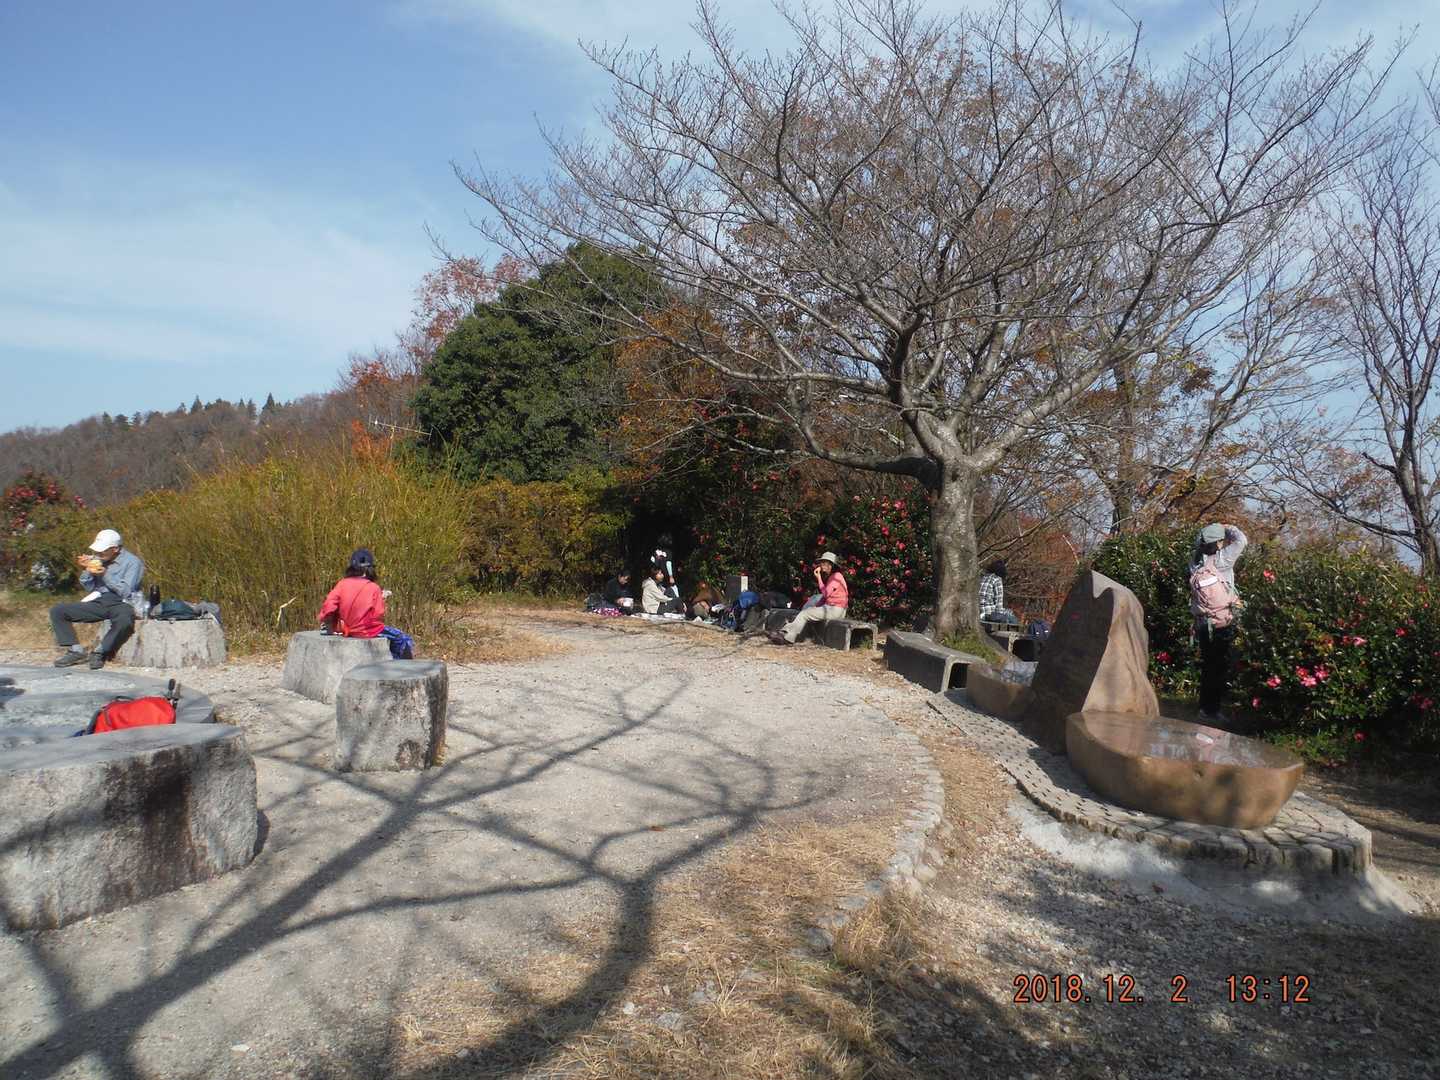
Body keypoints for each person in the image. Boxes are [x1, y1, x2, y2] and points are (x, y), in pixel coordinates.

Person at [50, 528, 145, 669]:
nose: (98, 554)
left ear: (115, 549)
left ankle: (100, 652)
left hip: (123, 602)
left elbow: (126, 591)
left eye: (102, 551)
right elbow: (89, 587)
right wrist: (87, 569)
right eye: (97, 551)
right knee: (58, 610)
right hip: (100, 600)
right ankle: (76, 651)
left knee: (124, 621)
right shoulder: (99, 559)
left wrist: (105, 574)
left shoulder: (133, 562)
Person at [1189, 522, 1248, 724]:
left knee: (1209, 666)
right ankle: (1211, 710)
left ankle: (1205, 708)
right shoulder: (1222, 560)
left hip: (1202, 623)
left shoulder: (1195, 562)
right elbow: (1241, 540)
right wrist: (1228, 527)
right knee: (1219, 667)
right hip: (1222, 622)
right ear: (1218, 542)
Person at [317, 548, 414, 659]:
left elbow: (328, 606)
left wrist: (330, 623)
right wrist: (381, 599)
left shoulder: (342, 584)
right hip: (367, 631)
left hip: (347, 630)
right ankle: (399, 667)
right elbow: (378, 614)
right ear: (370, 569)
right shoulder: (374, 588)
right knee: (403, 639)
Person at [769, 551, 847, 645]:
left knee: (805, 614)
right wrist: (816, 606)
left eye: (825, 563)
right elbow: (825, 598)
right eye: (822, 562)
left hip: (836, 610)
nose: (822, 565)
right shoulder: (832, 577)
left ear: (831, 565)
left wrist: (819, 578)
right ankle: (784, 633)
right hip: (830, 608)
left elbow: (825, 593)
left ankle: (787, 637)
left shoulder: (837, 577)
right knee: (807, 611)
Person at [979, 560, 1019, 626]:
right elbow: (998, 605)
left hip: (978, 612)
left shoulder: (983, 577)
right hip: (988, 614)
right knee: (1011, 616)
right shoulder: (997, 579)